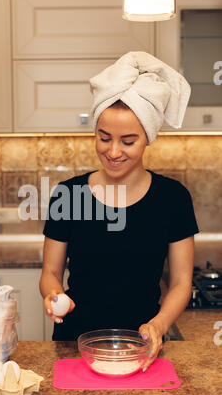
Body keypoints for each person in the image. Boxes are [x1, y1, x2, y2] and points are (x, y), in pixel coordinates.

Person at [39, 51, 199, 371]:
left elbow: (182, 281)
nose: (113, 152)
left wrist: (158, 325)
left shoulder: (173, 198)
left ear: (147, 139)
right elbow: (50, 273)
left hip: (141, 345)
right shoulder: (69, 194)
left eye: (128, 141)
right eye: (104, 138)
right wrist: (53, 295)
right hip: (74, 343)